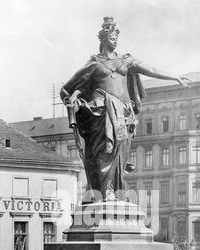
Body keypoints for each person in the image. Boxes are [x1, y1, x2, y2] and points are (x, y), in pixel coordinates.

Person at [60, 16, 190, 202]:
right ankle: (105, 193)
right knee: (106, 150)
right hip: (102, 112)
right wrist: (73, 98)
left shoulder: (126, 61)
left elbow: (150, 69)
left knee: (119, 155)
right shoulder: (94, 64)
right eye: (111, 37)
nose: (115, 40)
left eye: (116, 38)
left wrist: (174, 77)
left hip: (123, 113)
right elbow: (69, 87)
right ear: (104, 39)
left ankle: (115, 191)